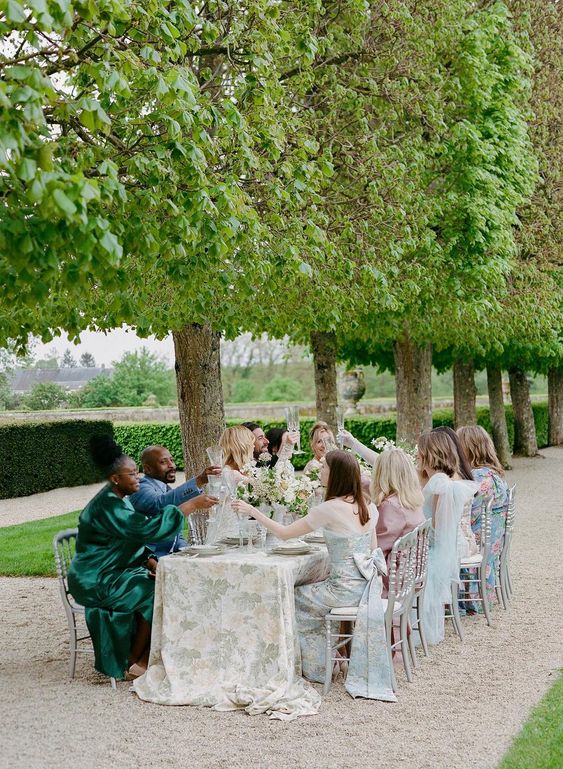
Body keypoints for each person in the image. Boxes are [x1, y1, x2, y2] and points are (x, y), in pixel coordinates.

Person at [233, 450, 396, 702]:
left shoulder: (329, 508)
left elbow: (285, 533)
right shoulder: (368, 505)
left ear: (335, 474)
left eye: (324, 468)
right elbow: (372, 551)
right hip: (366, 589)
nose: (320, 472)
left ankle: (320, 667)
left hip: (341, 593)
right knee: (311, 590)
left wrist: (254, 512)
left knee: (295, 595)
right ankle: (335, 655)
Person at [68, 436, 215, 681]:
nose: (138, 479)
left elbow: (130, 541)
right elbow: (148, 530)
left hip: (114, 571)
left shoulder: (118, 501)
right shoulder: (109, 507)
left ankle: (145, 656)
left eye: (137, 473)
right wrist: (190, 506)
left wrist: (149, 560)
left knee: (161, 586)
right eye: (133, 475)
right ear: (116, 479)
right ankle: (134, 661)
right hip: (94, 580)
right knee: (156, 591)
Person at [416, 431, 479, 645]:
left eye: (419, 453)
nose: (417, 456)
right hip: (442, 547)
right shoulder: (438, 480)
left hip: (433, 551)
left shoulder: (439, 484)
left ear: (429, 455)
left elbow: (436, 529)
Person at [128, 445, 220, 557]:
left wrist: (189, 551)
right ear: (148, 469)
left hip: (170, 559)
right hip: (147, 561)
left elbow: (176, 534)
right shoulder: (139, 488)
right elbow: (160, 504)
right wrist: (199, 481)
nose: (171, 465)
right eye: (163, 462)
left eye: (172, 460)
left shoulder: (166, 489)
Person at [457, 425, 509, 606]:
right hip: (491, 543)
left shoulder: (478, 479)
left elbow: (464, 518)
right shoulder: (491, 473)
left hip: (478, 544)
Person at [370, 447, 425, 565]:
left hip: (391, 575)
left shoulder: (390, 507)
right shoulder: (412, 501)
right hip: (410, 571)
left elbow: (376, 551)